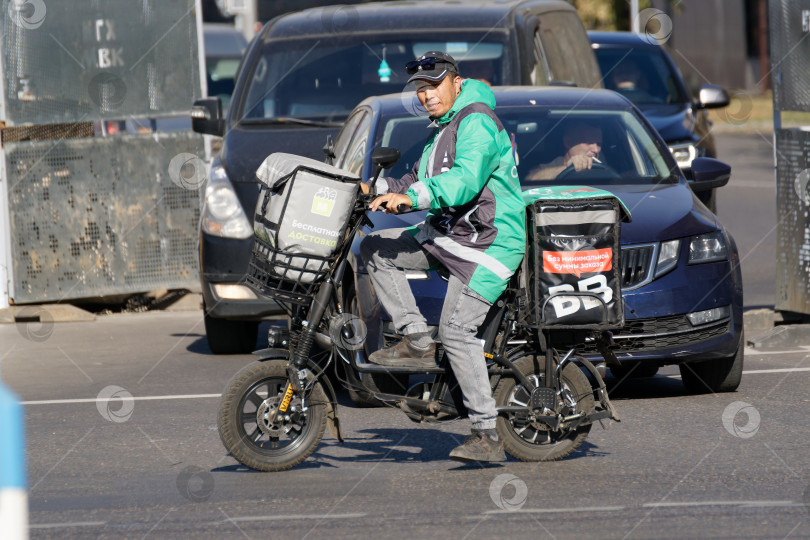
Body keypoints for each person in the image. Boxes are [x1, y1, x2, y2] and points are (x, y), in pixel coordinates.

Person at [359, 52, 526, 462]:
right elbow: (417, 178)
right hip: (453, 236)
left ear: (456, 81)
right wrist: (374, 189)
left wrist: (411, 198)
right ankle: (416, 341)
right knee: (377, 248)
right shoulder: (444, 128)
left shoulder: (477, 122)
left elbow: (465, 180)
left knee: (455, 331)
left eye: (434, 85)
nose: (427, 95)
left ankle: (487, 436)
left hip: (490, 243)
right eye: (420, 89)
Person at [527, 121, 602, 181]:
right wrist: (568, 168)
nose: (596, 150)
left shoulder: (605, 169)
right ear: (568, 142)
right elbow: (530, 181)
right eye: (589, 142)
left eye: (598, 144)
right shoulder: (548, 167)